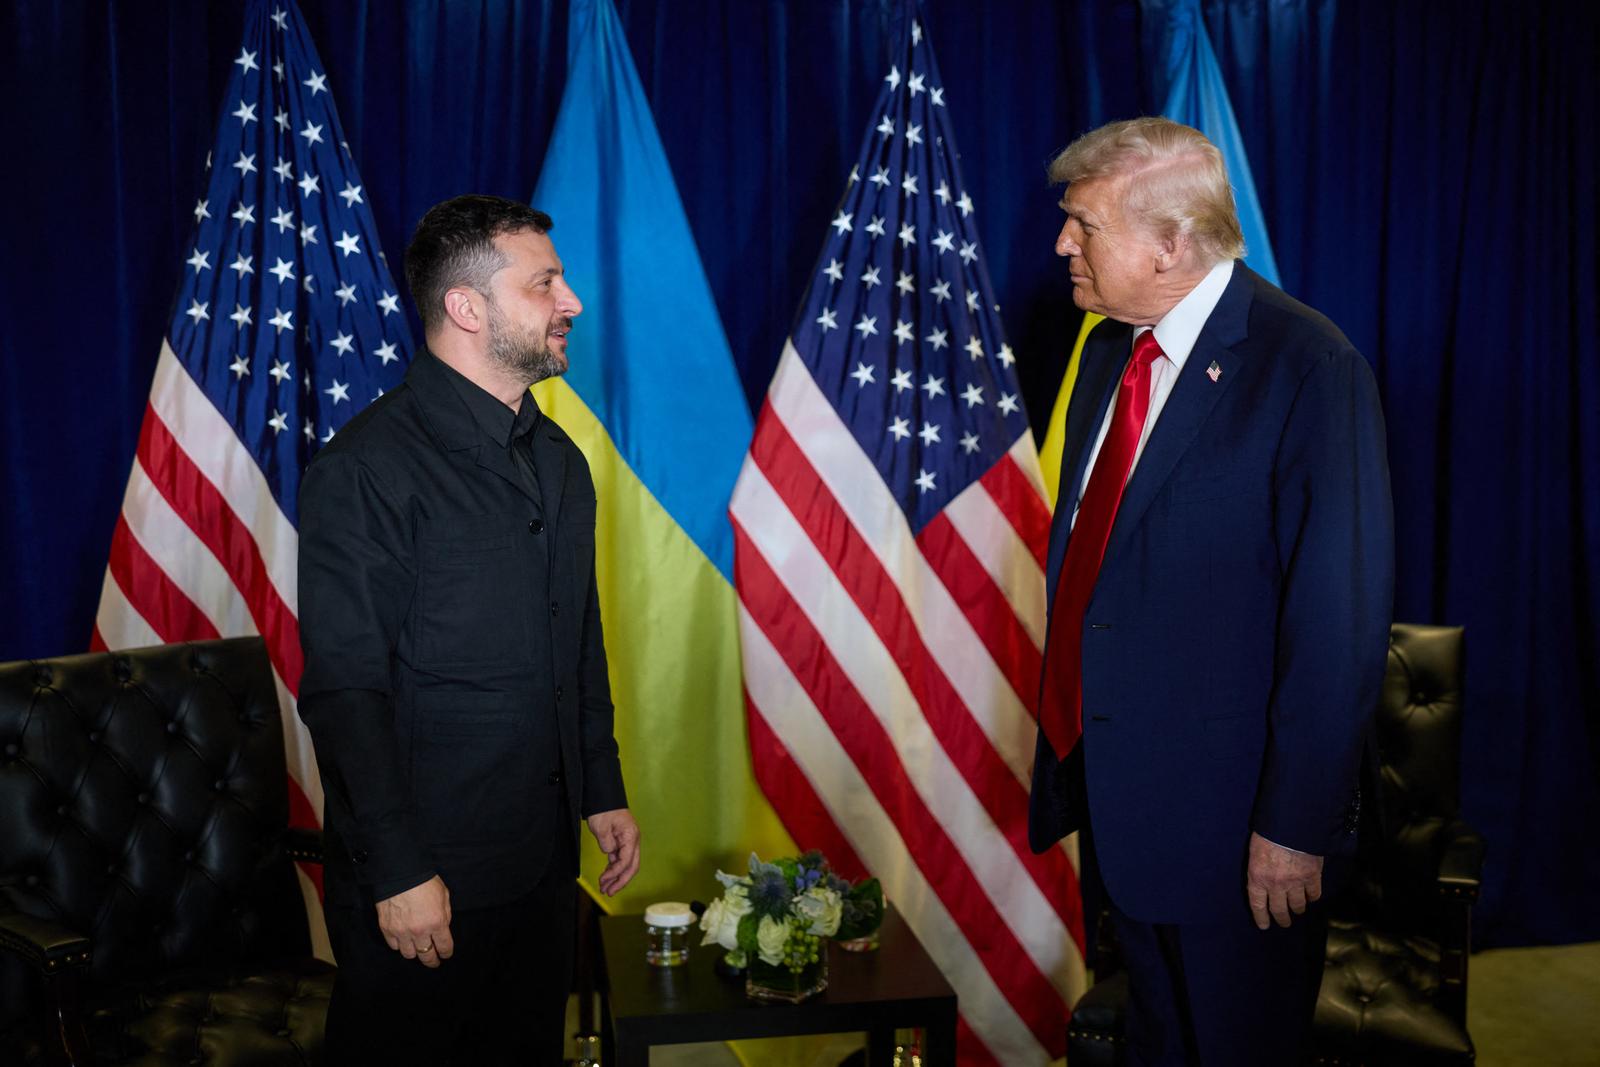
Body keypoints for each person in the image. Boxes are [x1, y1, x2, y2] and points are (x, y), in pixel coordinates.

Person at [1029, 118, 1393, 1064]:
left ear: (1170, 242)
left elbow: (1339, 624)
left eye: (1083, 224)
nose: (1062, 243)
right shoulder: (1108, 349)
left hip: (1241, 836)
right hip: (1122, 805)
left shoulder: (1309, 368)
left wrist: (1295, 827)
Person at [298, 194, 640, 1066]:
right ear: (467, 307)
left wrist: (601, 785)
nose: (572, 302)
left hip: (542, 870)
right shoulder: (364, 468)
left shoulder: (560, 461)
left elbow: (577, 637)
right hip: (426, 880)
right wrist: (399, 867)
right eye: (545, 284)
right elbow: (344, 690)